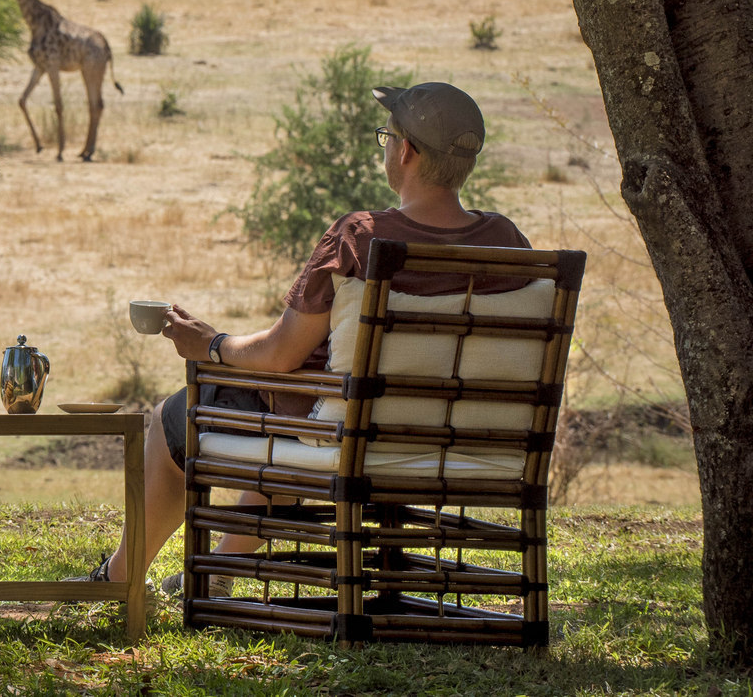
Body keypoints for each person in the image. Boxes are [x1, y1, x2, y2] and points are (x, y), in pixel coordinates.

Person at [73, 82, 531, 592]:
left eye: (388, 137)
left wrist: (210, 344)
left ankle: (118, 579)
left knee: (174, 418)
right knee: (293, 415)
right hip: (468, 443)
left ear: (406, 151)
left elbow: (279, 353)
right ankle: (218, 572)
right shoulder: (508, 241)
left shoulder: (361, 236)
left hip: (353, 437)